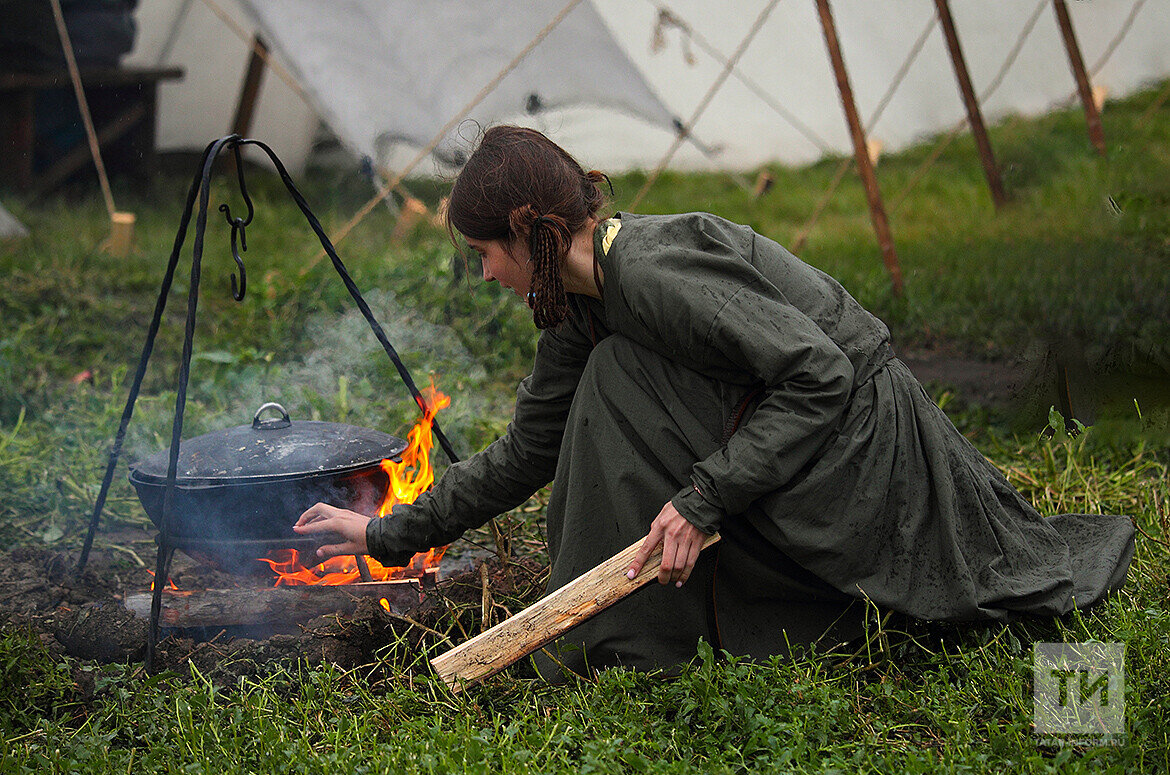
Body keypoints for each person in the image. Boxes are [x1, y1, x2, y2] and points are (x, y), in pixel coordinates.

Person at [295, 126, 1134, 680]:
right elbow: (527, 450)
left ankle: (643, 634)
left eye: (485, 252)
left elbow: (821, 376)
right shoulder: (581, 309)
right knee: (610, 372)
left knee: (619, 377)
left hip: (870, 453)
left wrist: (701, 501)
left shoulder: (654, 271)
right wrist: (384, 533)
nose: (484, 273)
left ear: (531, 236)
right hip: (811, 434)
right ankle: (642, 629)